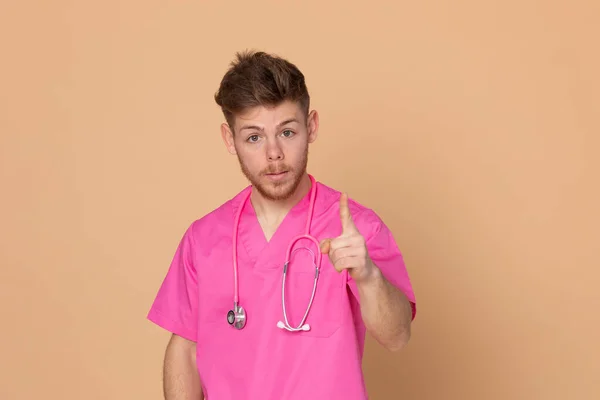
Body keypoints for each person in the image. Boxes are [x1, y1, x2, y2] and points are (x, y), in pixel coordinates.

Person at [147, 50, 417, 400]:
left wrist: (368, 276)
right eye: (254, 137)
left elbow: (397, 336)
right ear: (230, 140)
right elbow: (184, 348)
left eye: (287, 132)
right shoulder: (203, 238)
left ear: (312, 126)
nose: (274, 153)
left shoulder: (356, 228)